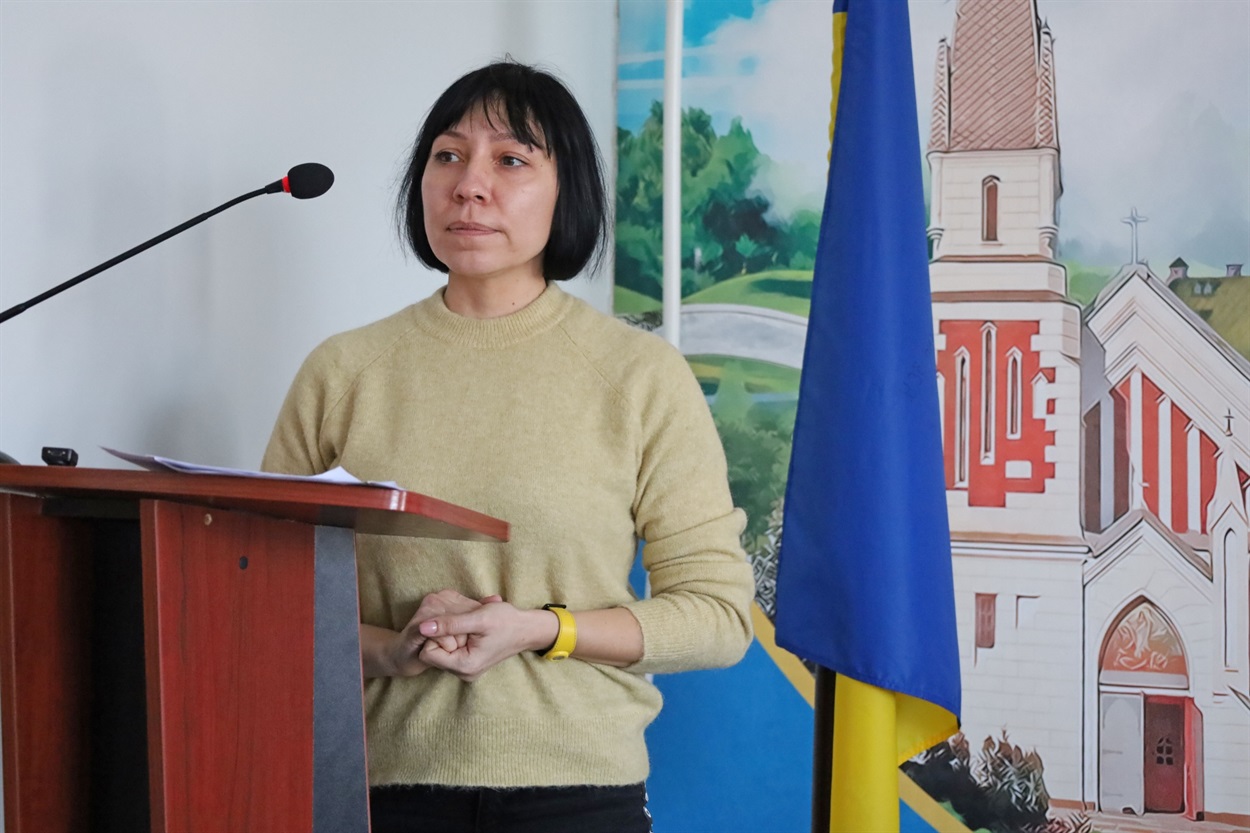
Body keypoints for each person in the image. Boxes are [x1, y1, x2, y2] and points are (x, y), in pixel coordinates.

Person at [262, 60, 754, 833]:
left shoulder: (639, 376)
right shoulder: (343, 372)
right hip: (380, 793)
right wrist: (393, 651)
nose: (470, 185)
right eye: (448, 156)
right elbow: (265, 608)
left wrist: (541, 628)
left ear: (567, 191)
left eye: (512, 160)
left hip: (579, 798)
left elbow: (718, 616)